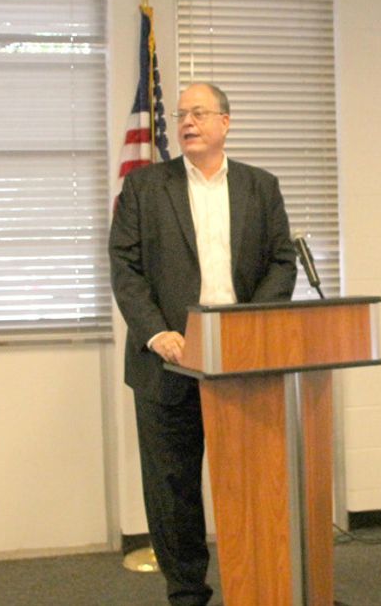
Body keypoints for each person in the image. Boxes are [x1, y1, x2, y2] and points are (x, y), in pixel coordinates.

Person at [109, 82, 297, 606]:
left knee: (248, 482)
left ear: (225, 122)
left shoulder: (262, 187)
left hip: (243, 362)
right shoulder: (145, 188)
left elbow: (283, 261)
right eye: (182, 114)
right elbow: (124, 267)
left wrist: (250, 327)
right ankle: (187, 592)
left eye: (199, 112)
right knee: (173, 489)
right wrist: (155, 333)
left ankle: (256, 581)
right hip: (168, 361)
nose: (188, 121)